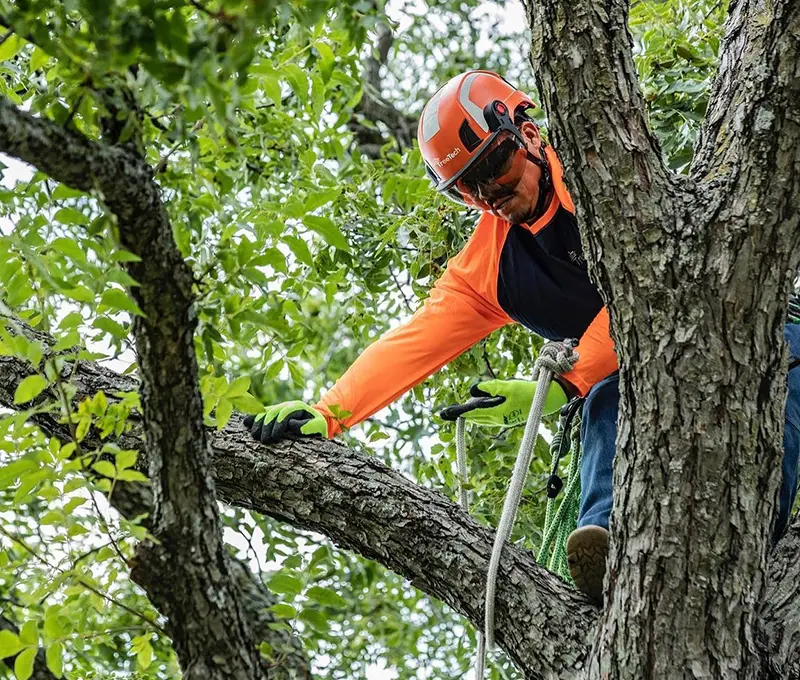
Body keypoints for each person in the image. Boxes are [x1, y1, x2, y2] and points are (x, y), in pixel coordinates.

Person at [243, 70, 800, 605]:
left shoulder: (609, 182)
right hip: (641, 381)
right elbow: (413, 342)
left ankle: (754, 541)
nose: (491, 192)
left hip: (762, 340)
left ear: (528, 134)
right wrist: (329, 412)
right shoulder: (491, 268)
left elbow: (658, 288)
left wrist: (571, 377)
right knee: (606, 399)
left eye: (495, 165)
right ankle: (604, 550)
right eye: (470, 188)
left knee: (769, 386)